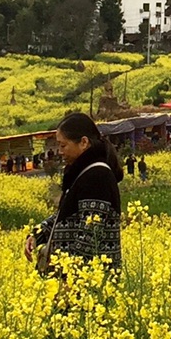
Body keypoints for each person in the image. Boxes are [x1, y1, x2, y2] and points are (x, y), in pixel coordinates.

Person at [27, 112, 122, 270]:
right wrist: (38, 234)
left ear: (83, 142)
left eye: (63, 145)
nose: (60, 151)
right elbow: (66, 214)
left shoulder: (97, 177)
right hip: (76, 277)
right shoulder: (81, 173)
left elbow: (90, 235)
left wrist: (70, 276)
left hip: (87, 280)